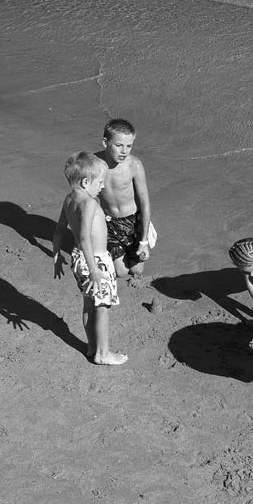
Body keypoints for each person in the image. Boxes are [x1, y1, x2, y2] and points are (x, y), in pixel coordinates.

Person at [51, 152, 127, 365]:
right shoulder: (89, 203)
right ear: (86, 182)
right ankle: (103, 353)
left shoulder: (69, 199)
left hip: (78, 258)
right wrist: (94, 270)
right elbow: (85, 237)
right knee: (102, 307)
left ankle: (91, 347)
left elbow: (59, 230)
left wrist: (56, 255)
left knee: (88, 304)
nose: (102, 187)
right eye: (100, 182)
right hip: (96, 261)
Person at [97, 118, 155, 281]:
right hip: (109, 222)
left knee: (137, 270)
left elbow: (145, 203)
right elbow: (86, 197)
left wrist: (144, 241)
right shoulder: (95, 165)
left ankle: (133, 247)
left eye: (129, 146)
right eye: (119, 145)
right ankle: (111, 249)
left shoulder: (134, 165)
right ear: (105, 142)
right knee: (121, 272)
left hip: (133, 222)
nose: (124, 151)